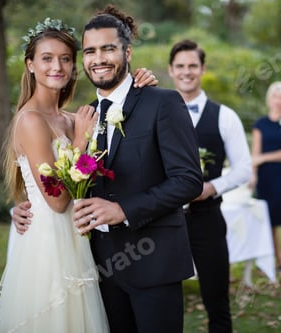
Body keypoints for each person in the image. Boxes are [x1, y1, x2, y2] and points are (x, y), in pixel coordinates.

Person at [15, 6, 203, 333]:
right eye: (90, 51)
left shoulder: (163, 102)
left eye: (108, 49)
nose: (98, 58)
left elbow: (188, 181)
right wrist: (21, 207)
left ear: (127, 52)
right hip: (96, 268)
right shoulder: (84, 117)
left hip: (153, 265)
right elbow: (59, 175)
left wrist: (123, 210)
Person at [0, 18, 109, 332]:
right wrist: (82, 141)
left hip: (77, 238)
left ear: (73, 66)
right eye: (47, 58)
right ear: (30, 64)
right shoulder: (30, 120)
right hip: (49, 243)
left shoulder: (71, 119)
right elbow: (56, 201)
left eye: (65, 58)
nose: (57, 66)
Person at [168, 39, 252, 333]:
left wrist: (210, 188)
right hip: (163, 222)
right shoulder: (155, 113)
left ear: (202, 69)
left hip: (207, 219)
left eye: (193, 65)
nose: (186, 72)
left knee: (217, 300)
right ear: (170, 70)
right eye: (180, 66)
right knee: (161, 300)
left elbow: (243, 169)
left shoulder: (225, 116)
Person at [249, 81, 281, 280]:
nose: (278, 101)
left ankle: (277, 262)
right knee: (264, 221)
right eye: (275, 97)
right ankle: (271, 262)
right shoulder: (260, 124)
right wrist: (253, 174)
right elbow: (255, 154)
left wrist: (264, 158)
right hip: (264, 178)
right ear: (269, 99)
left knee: (273, 221)